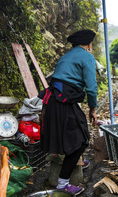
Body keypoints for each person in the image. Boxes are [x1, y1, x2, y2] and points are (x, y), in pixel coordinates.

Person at [39, 29, 98, 195]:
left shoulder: (66, 56)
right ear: (89, 44)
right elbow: (92, 89)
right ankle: (62, 183)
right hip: (63, 102)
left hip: (52, 102)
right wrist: (93, 109)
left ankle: (77, 162)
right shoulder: (87, 56)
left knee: (69, 135)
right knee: (81, 141)